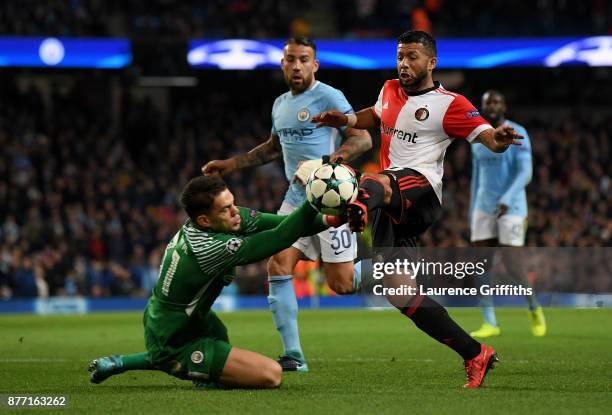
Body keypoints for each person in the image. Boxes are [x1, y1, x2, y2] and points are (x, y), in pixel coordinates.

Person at [312, 30, 524, 388]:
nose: (404, 64)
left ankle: (353, 208)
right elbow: (375, 116)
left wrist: (499, 142)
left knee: (370, 180)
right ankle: (476, 354)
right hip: (390, 202)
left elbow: (488, 136)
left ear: (431, 62)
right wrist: (346, 121)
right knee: (400, 291)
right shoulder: (389, 89)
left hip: (421, 191)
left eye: (411, 57)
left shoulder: (450, 104)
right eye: (400, 57)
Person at [202, 36, 372, 372]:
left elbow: (363, 137)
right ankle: (294, 355)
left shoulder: (328, 95)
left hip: (330, 203)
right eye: (290, 59)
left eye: (304, 59)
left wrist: (335, 160)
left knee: (342, 285)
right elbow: (271, 148)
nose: (296, 65)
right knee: (278, 264)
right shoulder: (280, 103)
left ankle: (389, 270)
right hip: (295, 200)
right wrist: (231, 164)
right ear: (282, 64)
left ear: (315, 65)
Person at [88, 175, 347, 389]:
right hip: (174, 335)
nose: (236, 212)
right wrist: (315, 199)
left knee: (222, 342)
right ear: (204, 220)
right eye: (226, 209)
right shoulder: (208, 247)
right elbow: (278, 238)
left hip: (192, 319)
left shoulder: (219, 222)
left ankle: (121, 362)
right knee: (270, 375)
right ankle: (175, 362)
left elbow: (285, 223)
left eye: (233, 203)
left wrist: (335, 218)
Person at [469, 89, 546, 338]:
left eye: (497, 101)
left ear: (504, 106)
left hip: (511, 206)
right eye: (488, 102)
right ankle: (490, 321)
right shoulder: (477, 137)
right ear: (482, 107)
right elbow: (477, 177)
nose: (492, 105)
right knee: (482, 264)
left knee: (513, 264)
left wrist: (505, 199)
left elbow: (526, 173)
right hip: (484, 206)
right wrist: (473, 209)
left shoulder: (518, 132)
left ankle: (533, 306)